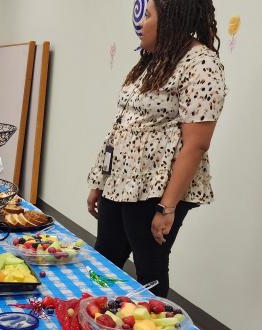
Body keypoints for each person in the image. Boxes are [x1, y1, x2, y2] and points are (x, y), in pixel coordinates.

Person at [86, 0, 226, 298]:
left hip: (156, 188)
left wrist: (168, 206)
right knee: (103, 260)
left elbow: (196, 143)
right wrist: (101, 179)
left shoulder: (201, 63)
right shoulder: (155, 59)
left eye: (147, 15)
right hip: (121, 181)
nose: (140, 24)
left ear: (172, 19)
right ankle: (98, 322)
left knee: (149, 270)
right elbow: (122, 125)